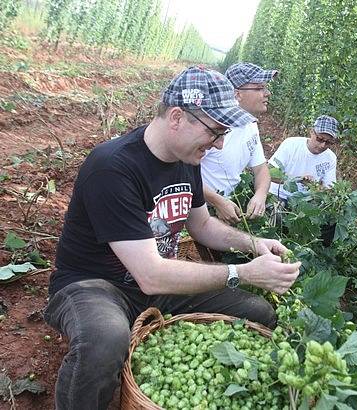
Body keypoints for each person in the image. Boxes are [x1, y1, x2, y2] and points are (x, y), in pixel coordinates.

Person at [43, 66, 301, 410]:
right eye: (216, 130)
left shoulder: (187, 160)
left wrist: (253, 245)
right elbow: (150, 273)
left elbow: (203, 227)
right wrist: (243, 273)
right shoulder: (113, 167)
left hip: (152, 286)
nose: (221, 142)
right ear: (177, 117)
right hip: (94, 286)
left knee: (257, 311)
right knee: (105, 340)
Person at [200, 62, 277, 224]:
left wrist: (260, 195)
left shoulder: (250, 124)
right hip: (200, 209)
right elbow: (182, 174)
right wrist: (216, 201)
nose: (267, 93)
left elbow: (261, 168)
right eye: (259, 88)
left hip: (228, 207)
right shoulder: (214, 126)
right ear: (237, 94)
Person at [268, 115, 339, 201]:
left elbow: (329, 189)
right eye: (320, 139)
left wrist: (312, 185)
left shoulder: (330, 158)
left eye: (328, 142)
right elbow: (268, 172)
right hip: (277, 194)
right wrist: (298, 179)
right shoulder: (291, 144)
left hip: (303, 201)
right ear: (312, 132)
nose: (322, 145)